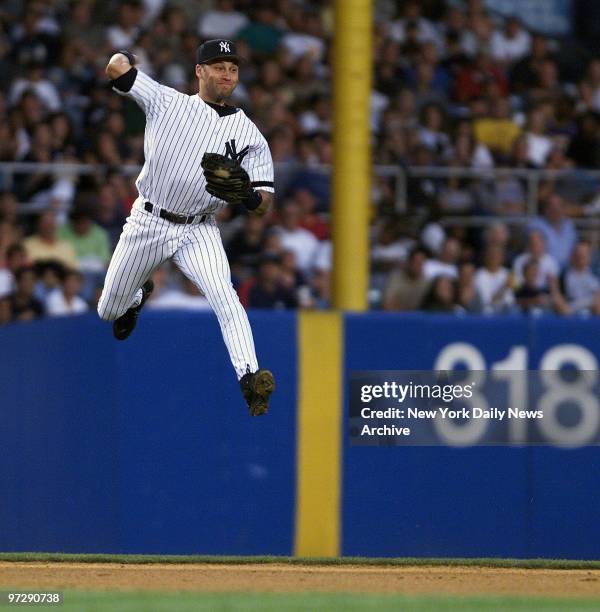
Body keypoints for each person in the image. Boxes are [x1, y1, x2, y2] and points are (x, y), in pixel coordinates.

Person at [96, 40, 275, 416]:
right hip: (148, 220)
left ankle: (249, 376)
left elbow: (263, 203)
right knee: (108, 311)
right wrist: (129, 57)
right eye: (218, 66)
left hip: (199, 228)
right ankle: (136, 296)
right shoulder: (166, 101)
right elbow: (115, 67)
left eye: (232, 68)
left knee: (225, 297)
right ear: (199, 71)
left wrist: (245, 195)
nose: (227, 74)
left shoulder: (251, 135)